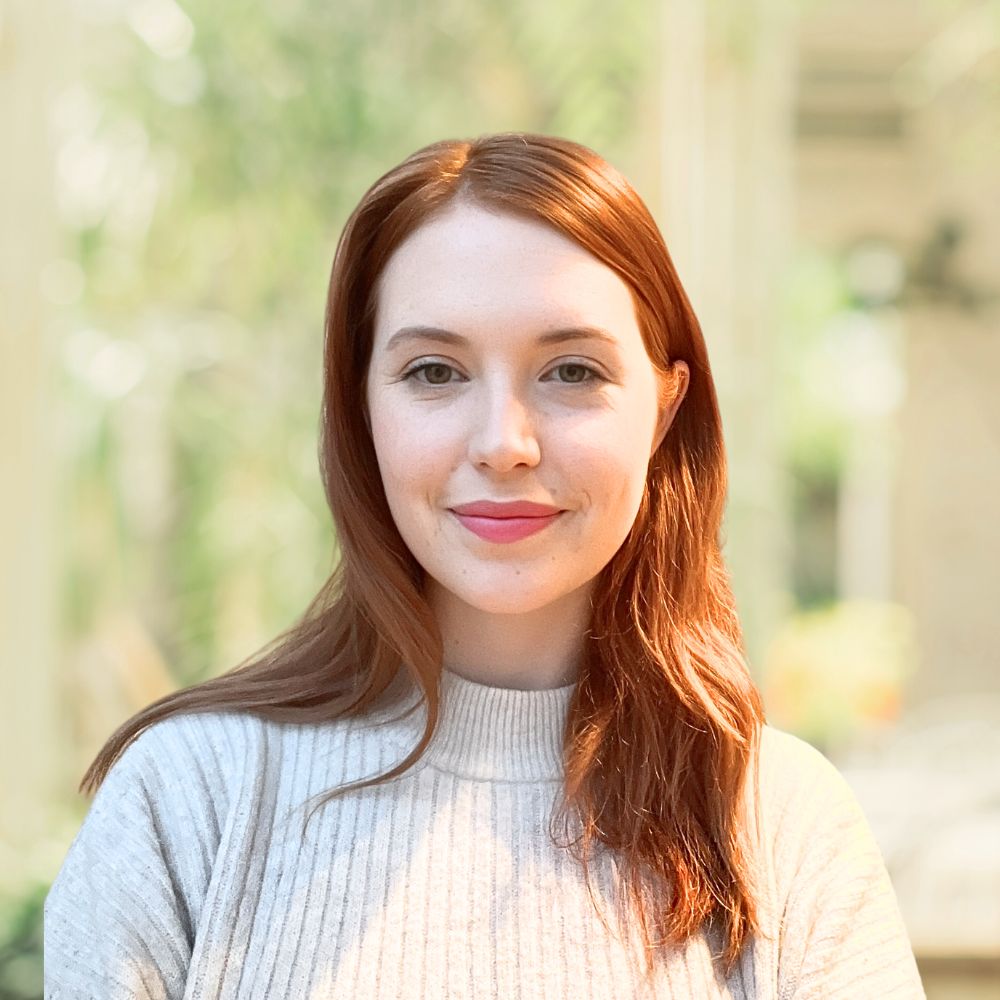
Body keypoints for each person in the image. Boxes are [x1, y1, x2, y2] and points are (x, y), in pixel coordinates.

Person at [44, 132, 925, 999]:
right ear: (363, 408)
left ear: (663, 410)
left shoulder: (782, 828)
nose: (504, 443)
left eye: (572, 371)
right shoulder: (189, 803)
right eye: (434, 372)